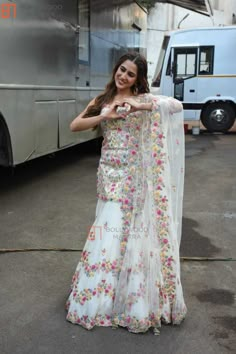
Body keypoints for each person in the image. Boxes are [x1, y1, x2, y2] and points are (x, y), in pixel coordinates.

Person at [65, 52, 187, 335]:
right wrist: (104, 115)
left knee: (133, 237)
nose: (124, 76)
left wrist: (139, 105)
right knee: (108, 235)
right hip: (110, 177)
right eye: (122, 70)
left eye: (131, 74)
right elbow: (75, 125)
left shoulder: (143, 99)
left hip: (137, 180)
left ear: (138, 79)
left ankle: (134, 299)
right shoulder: (101, 101)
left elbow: (176, 106)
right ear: (116, 69)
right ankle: (104, 299)